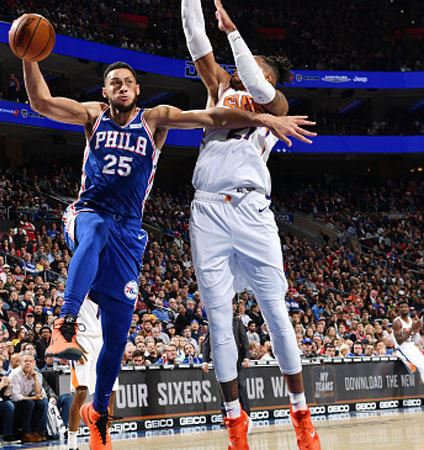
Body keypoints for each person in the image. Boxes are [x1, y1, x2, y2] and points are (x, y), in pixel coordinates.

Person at [21, 39, 311, 450]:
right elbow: (42, 101)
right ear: (104, 92)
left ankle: (99, 411)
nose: (121, 87)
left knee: (118, 333)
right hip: (86, 213)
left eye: (128, 82)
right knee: (95, 230)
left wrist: (266, 121)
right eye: (113, 83)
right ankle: (64, 325)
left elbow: (212, 115)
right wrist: (29, 59)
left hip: (129, 231)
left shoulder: (154, 119)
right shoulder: (92, 115)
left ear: (137, 90)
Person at [181, 0, 319, 448]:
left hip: (253, 210)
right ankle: (234, 422)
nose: (241, 72)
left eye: (253, 67)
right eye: (242, 65)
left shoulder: (275, 102)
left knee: (276, 313)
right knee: (219, 323)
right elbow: (195, 37)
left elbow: (258, 84)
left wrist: (236, 33)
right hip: (207, 209)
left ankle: (301, 416)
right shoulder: (220, 85)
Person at [67, 299, 119, 450]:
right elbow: (64, 317)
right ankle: (72, 444)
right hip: (82, 340)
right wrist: (72, 343)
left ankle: (102, 436)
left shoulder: (107, 285)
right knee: (81, 391)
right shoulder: (78, 283)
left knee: (111, 391)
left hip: (103, 339)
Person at [9, 352, 47, 443]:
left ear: (34, 364)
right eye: (26, 361)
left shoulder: (36, 374)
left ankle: (35, 431)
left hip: (29, 400)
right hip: (15, 403)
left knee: (42, 403)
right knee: (30, 403)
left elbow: (38, 393)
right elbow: (16, 397)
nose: (28, 363)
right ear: (21, 362)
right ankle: (25, 433)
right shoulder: (15, 374)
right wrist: (34, 398)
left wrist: (36, 379)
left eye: (30, 361)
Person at [392, 299, 424, 383]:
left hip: (412, 347)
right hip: (402, 349)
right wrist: (412, 329)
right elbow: (399, 341)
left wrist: (417, 330)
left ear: (408, 309)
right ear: (399, 310)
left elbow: (416, 341)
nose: (404, 309)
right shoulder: (397, 322)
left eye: (405, 307)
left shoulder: (411, 320)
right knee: (421, 367)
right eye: (401, 307)